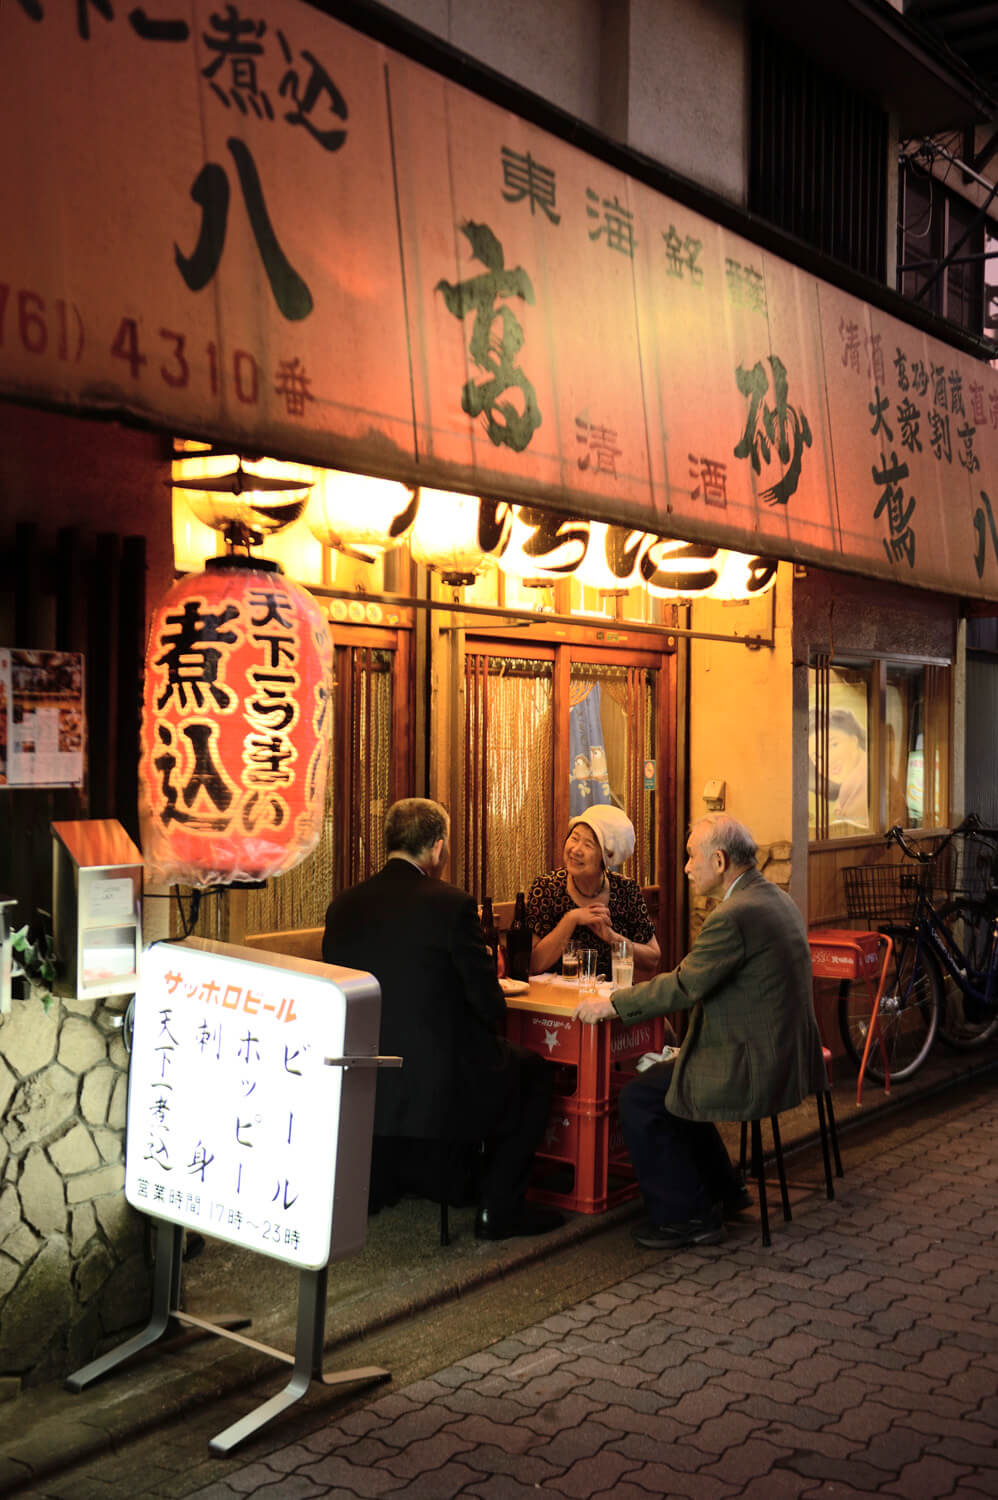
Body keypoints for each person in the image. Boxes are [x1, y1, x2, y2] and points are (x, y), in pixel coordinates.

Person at [573, 813, 827, 1250]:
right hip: (782, 1051)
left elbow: (683, 985)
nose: (687, 867)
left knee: (641, 1097)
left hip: (751, 1061)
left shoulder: (733, 916)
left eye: (692, 857)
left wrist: (612, 1005)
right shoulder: (773, 897)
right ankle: (724, 1190)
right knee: (672, 1086)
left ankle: (686, 1217)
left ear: (721, 860)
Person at [322, 797, 561, 1241]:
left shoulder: (344, 906)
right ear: (436, 848)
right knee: (533, 1073)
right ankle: (500, 1209)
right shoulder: (451, 905)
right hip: (439, 1077)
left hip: (362, 1072)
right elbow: (488, 1005)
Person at [527, 805, 661, 978]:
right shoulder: (546, 888)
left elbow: (653, 959)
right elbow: (534, 964)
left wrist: (611, 938)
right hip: (555, 999)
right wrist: (571, 919)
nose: (575, 850)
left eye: (588, 844)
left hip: (608, 1001)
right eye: (574, 838)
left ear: (606, 858)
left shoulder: (626, 890)